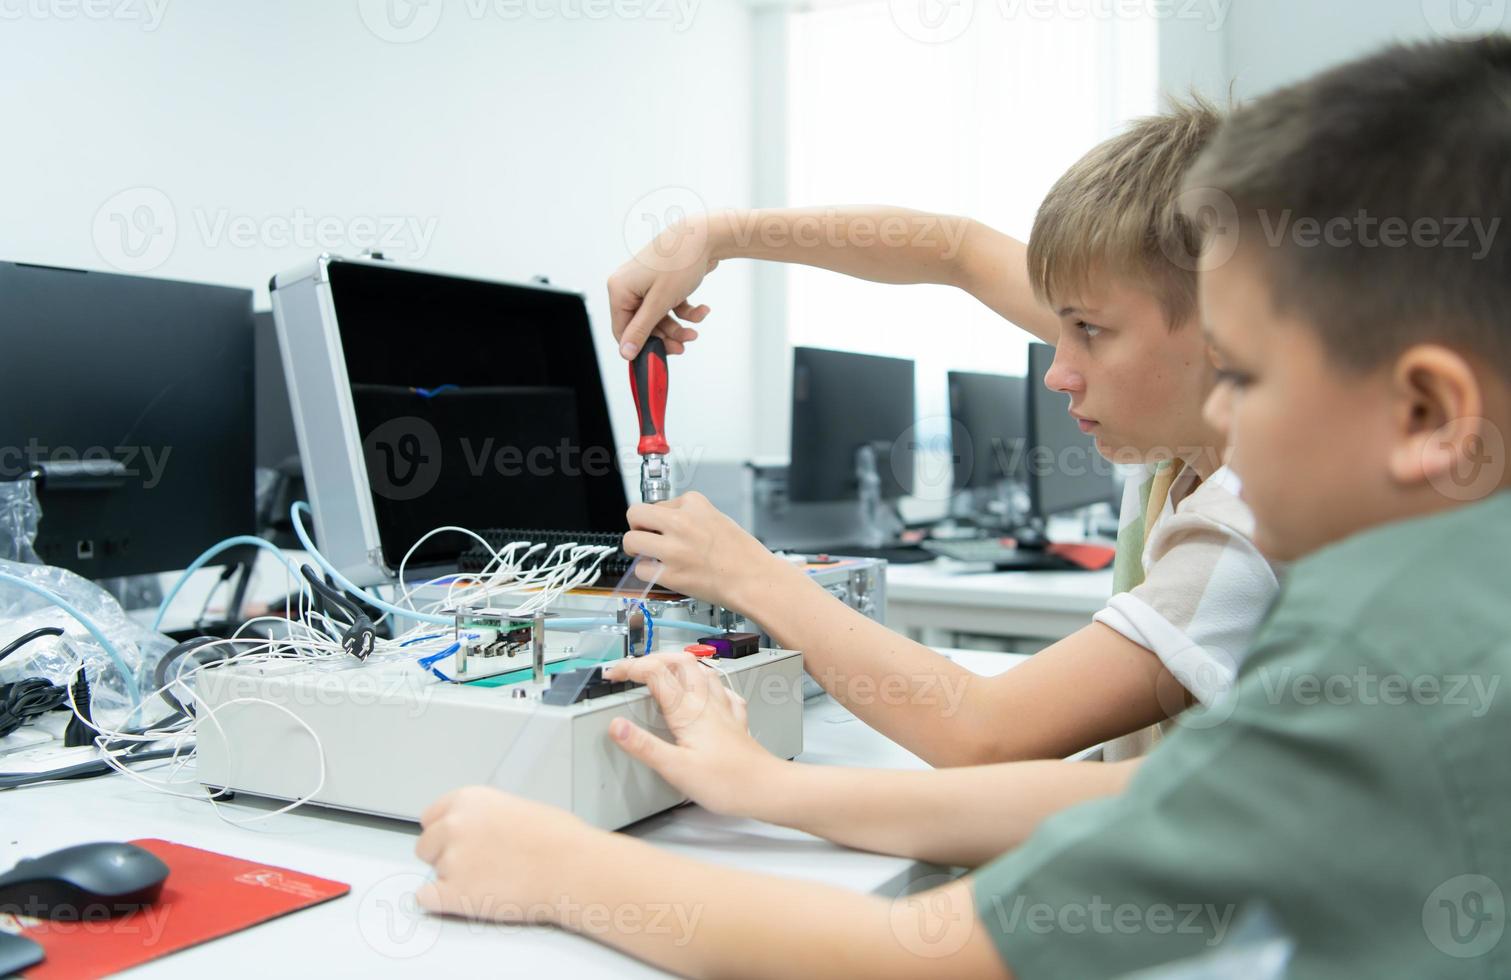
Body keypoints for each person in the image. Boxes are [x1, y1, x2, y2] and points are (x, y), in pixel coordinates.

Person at [415, 35, 1511, 979]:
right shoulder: (1437, 592)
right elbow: (1141, 805)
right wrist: (721, 233)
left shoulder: (1374, 642)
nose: (1057, 370)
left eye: (1243, 372)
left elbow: (933, 947)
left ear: (1424, 410)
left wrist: (564, 867)